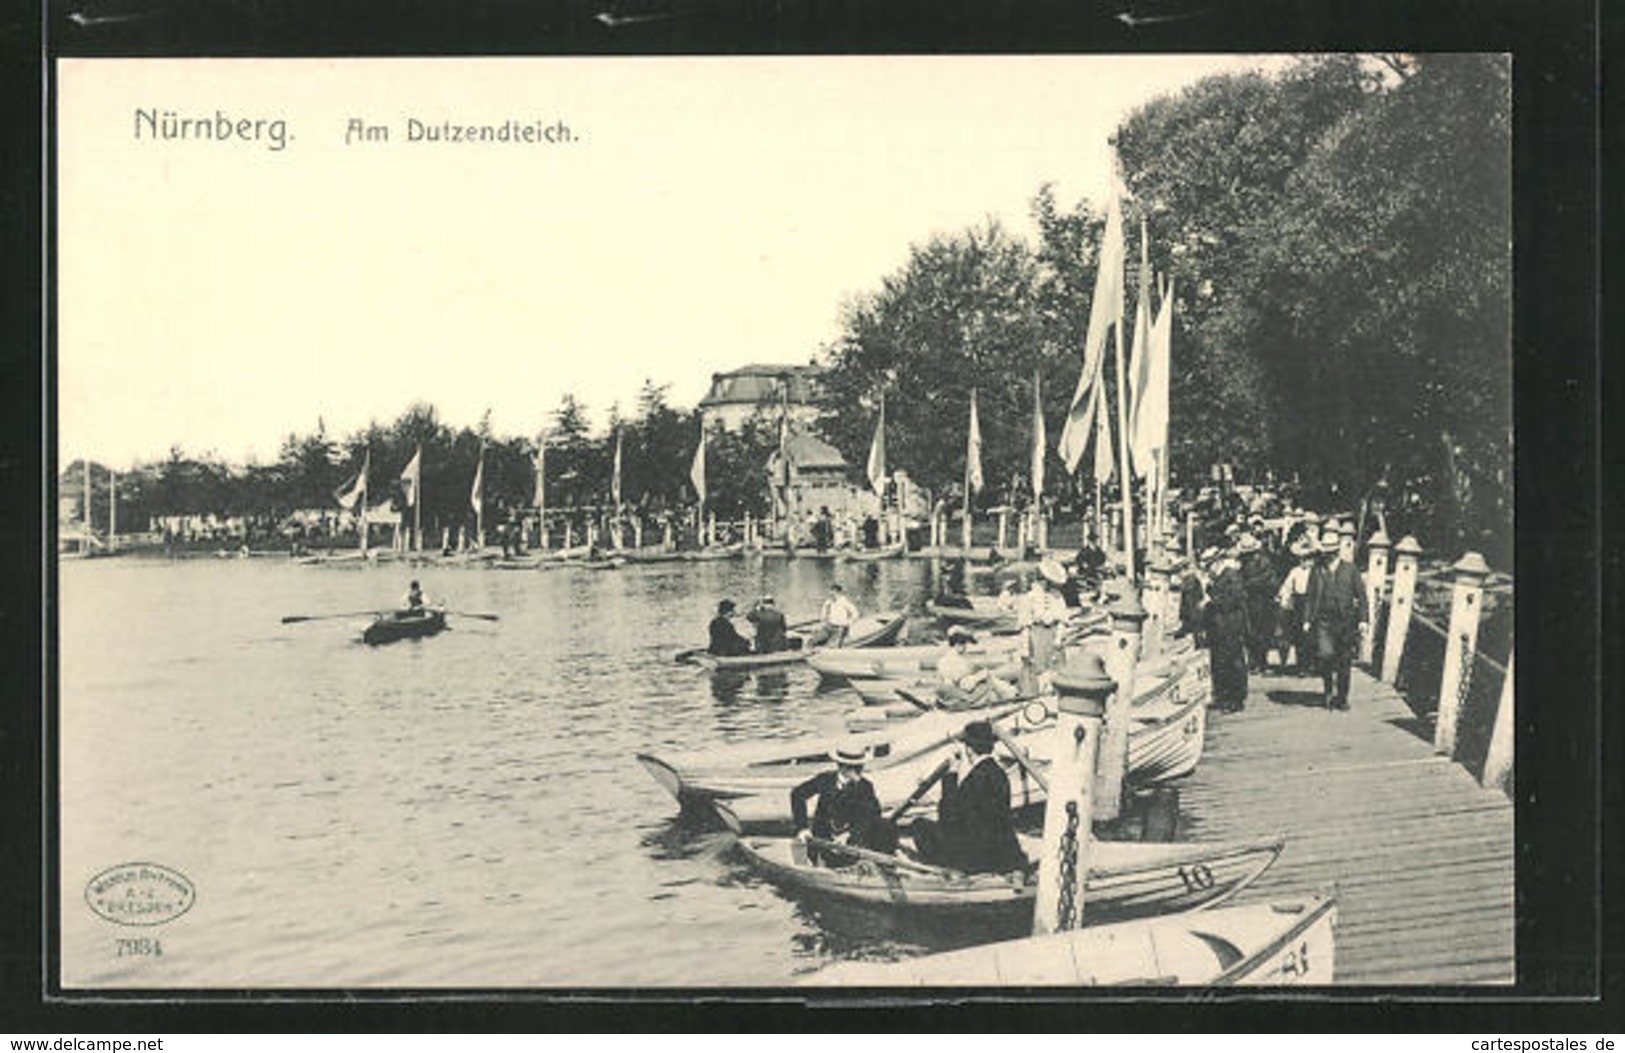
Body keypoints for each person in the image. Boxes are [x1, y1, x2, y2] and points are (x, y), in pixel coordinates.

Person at [911, 720, 1027, 874]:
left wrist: (950, 776)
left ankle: (945, 869)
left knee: (919, 825)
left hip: (974, 857)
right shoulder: (999, 774)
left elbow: (948, 819)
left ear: (969, 750)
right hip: (1000, 852)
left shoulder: (975, 779)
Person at [790, 740, 893, 866]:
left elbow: (872, 815)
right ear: (842, 767)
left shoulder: (865, 787)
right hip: (824, 838)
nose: (858, 772)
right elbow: (797, 794)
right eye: (854, 768)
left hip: (852, 841)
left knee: (885, 827)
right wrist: (802, 828)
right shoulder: (825, 780)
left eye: (860, 767)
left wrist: (850, 835)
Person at [1304, 533, 1367, 710]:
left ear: (1338, 550)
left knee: (1344, 661)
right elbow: (1310, 596)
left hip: (1346, 622)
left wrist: (1363, 620)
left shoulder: (1350, 569)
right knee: (1325, 655)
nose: (1329, 554)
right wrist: (1307, 619)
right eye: (1326, 551)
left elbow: (1361, 596)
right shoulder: (1317, 570)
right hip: (1323, 621)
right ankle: (1328, 690)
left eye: (1332, 551)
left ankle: (1342, 697)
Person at [1204, 546, 1251, 712]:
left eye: (1209, 565)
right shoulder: (1218, 577)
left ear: (1217, 562)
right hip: (1219, 626)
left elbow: (1232, 601)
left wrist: (1210, 600)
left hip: (1231, 626)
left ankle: (1235, 699)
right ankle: (1222, 696)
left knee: (1233, 662)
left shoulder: (1231, 576)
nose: (1208, 569)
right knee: (1219, 662)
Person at [936, 628, 1017, 710]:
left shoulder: (946, 659)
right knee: (987, 676)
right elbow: (962, 683)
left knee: (986, 676)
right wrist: (977, 677)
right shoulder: (955, 660)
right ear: (958, 644)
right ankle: (1010, 694)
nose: (965, 647)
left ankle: (1009, 692)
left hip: (955, 691)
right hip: (961, 694)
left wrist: (976, 674)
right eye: (963, 644)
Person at [1237, 534, 1277, 672]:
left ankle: (1262, 662)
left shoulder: (1264, 561)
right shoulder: (1242, 562)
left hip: (1263, 600)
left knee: (1263, 632)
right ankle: (1254, 661)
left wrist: (1248, 583)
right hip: (1248, 601)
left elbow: (1268, 579)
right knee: (1249, 632)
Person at [1276, 536, 1316, 673]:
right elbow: (1287, 586)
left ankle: (1311, 663)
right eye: (1303, 558)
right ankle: (1301, 665)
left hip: (1313, 602)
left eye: (1309, 558)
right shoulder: (1295, 571)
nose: (1306, 561)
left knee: (1311, 634)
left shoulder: (1316, 572)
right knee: (1299, 635)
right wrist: (1283, 598)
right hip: (1299, 603)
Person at [810, 583, 860, 647]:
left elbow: (855, 614)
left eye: (833, 593)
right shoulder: (828, 602)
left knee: (832, 646)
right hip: (828, 627)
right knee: (812, 641)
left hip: (839, 629)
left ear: (838, 593)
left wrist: (848, 622)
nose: (831, 595)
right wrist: (824, 618)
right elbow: (823, 616)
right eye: (831, 593)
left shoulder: (844, 602)